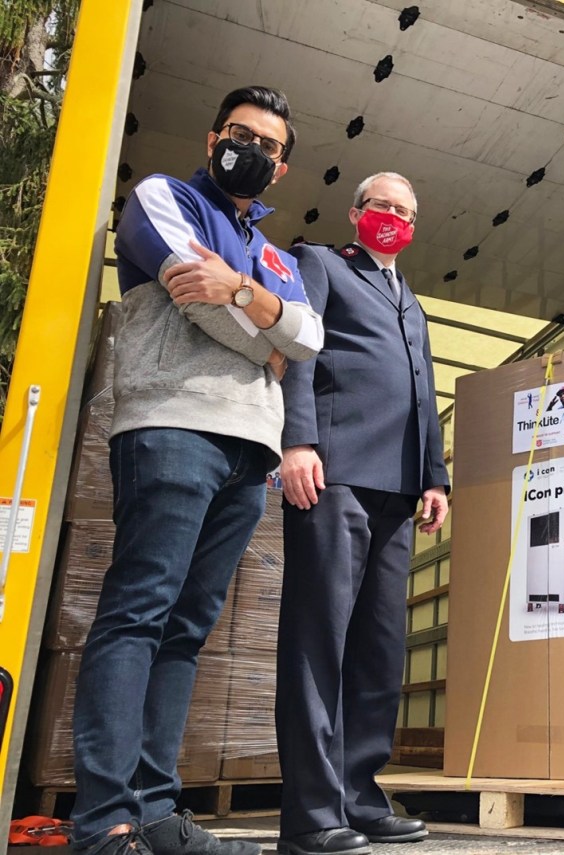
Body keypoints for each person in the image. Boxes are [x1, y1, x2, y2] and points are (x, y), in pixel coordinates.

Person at [71, 85, 324, 855]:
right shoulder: (162, 196)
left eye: (266, 145)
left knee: (185, 631)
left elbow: (310, 335)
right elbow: (195, 294)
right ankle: (104, 821)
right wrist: (267, 332)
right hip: (171, 426)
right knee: (138, 614)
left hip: (249, 453)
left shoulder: (277, 253)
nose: (249, 148)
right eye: (238, 133)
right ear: (214, 134)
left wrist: (242, 288)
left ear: (280, 169)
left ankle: (154, 810)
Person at [276, 172, 449, 854]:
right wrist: (297, 438)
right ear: (355, 213)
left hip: (399, 489)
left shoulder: (412, 301)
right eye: (382, 206)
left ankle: (359, 794)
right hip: (336, 472)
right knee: (320, 638)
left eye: (405, 211)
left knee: (379, 649)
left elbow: (423, 391)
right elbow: (298, 351)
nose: (393, 218)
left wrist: (435, 478)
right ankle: (312, 812)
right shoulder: (320, 263)